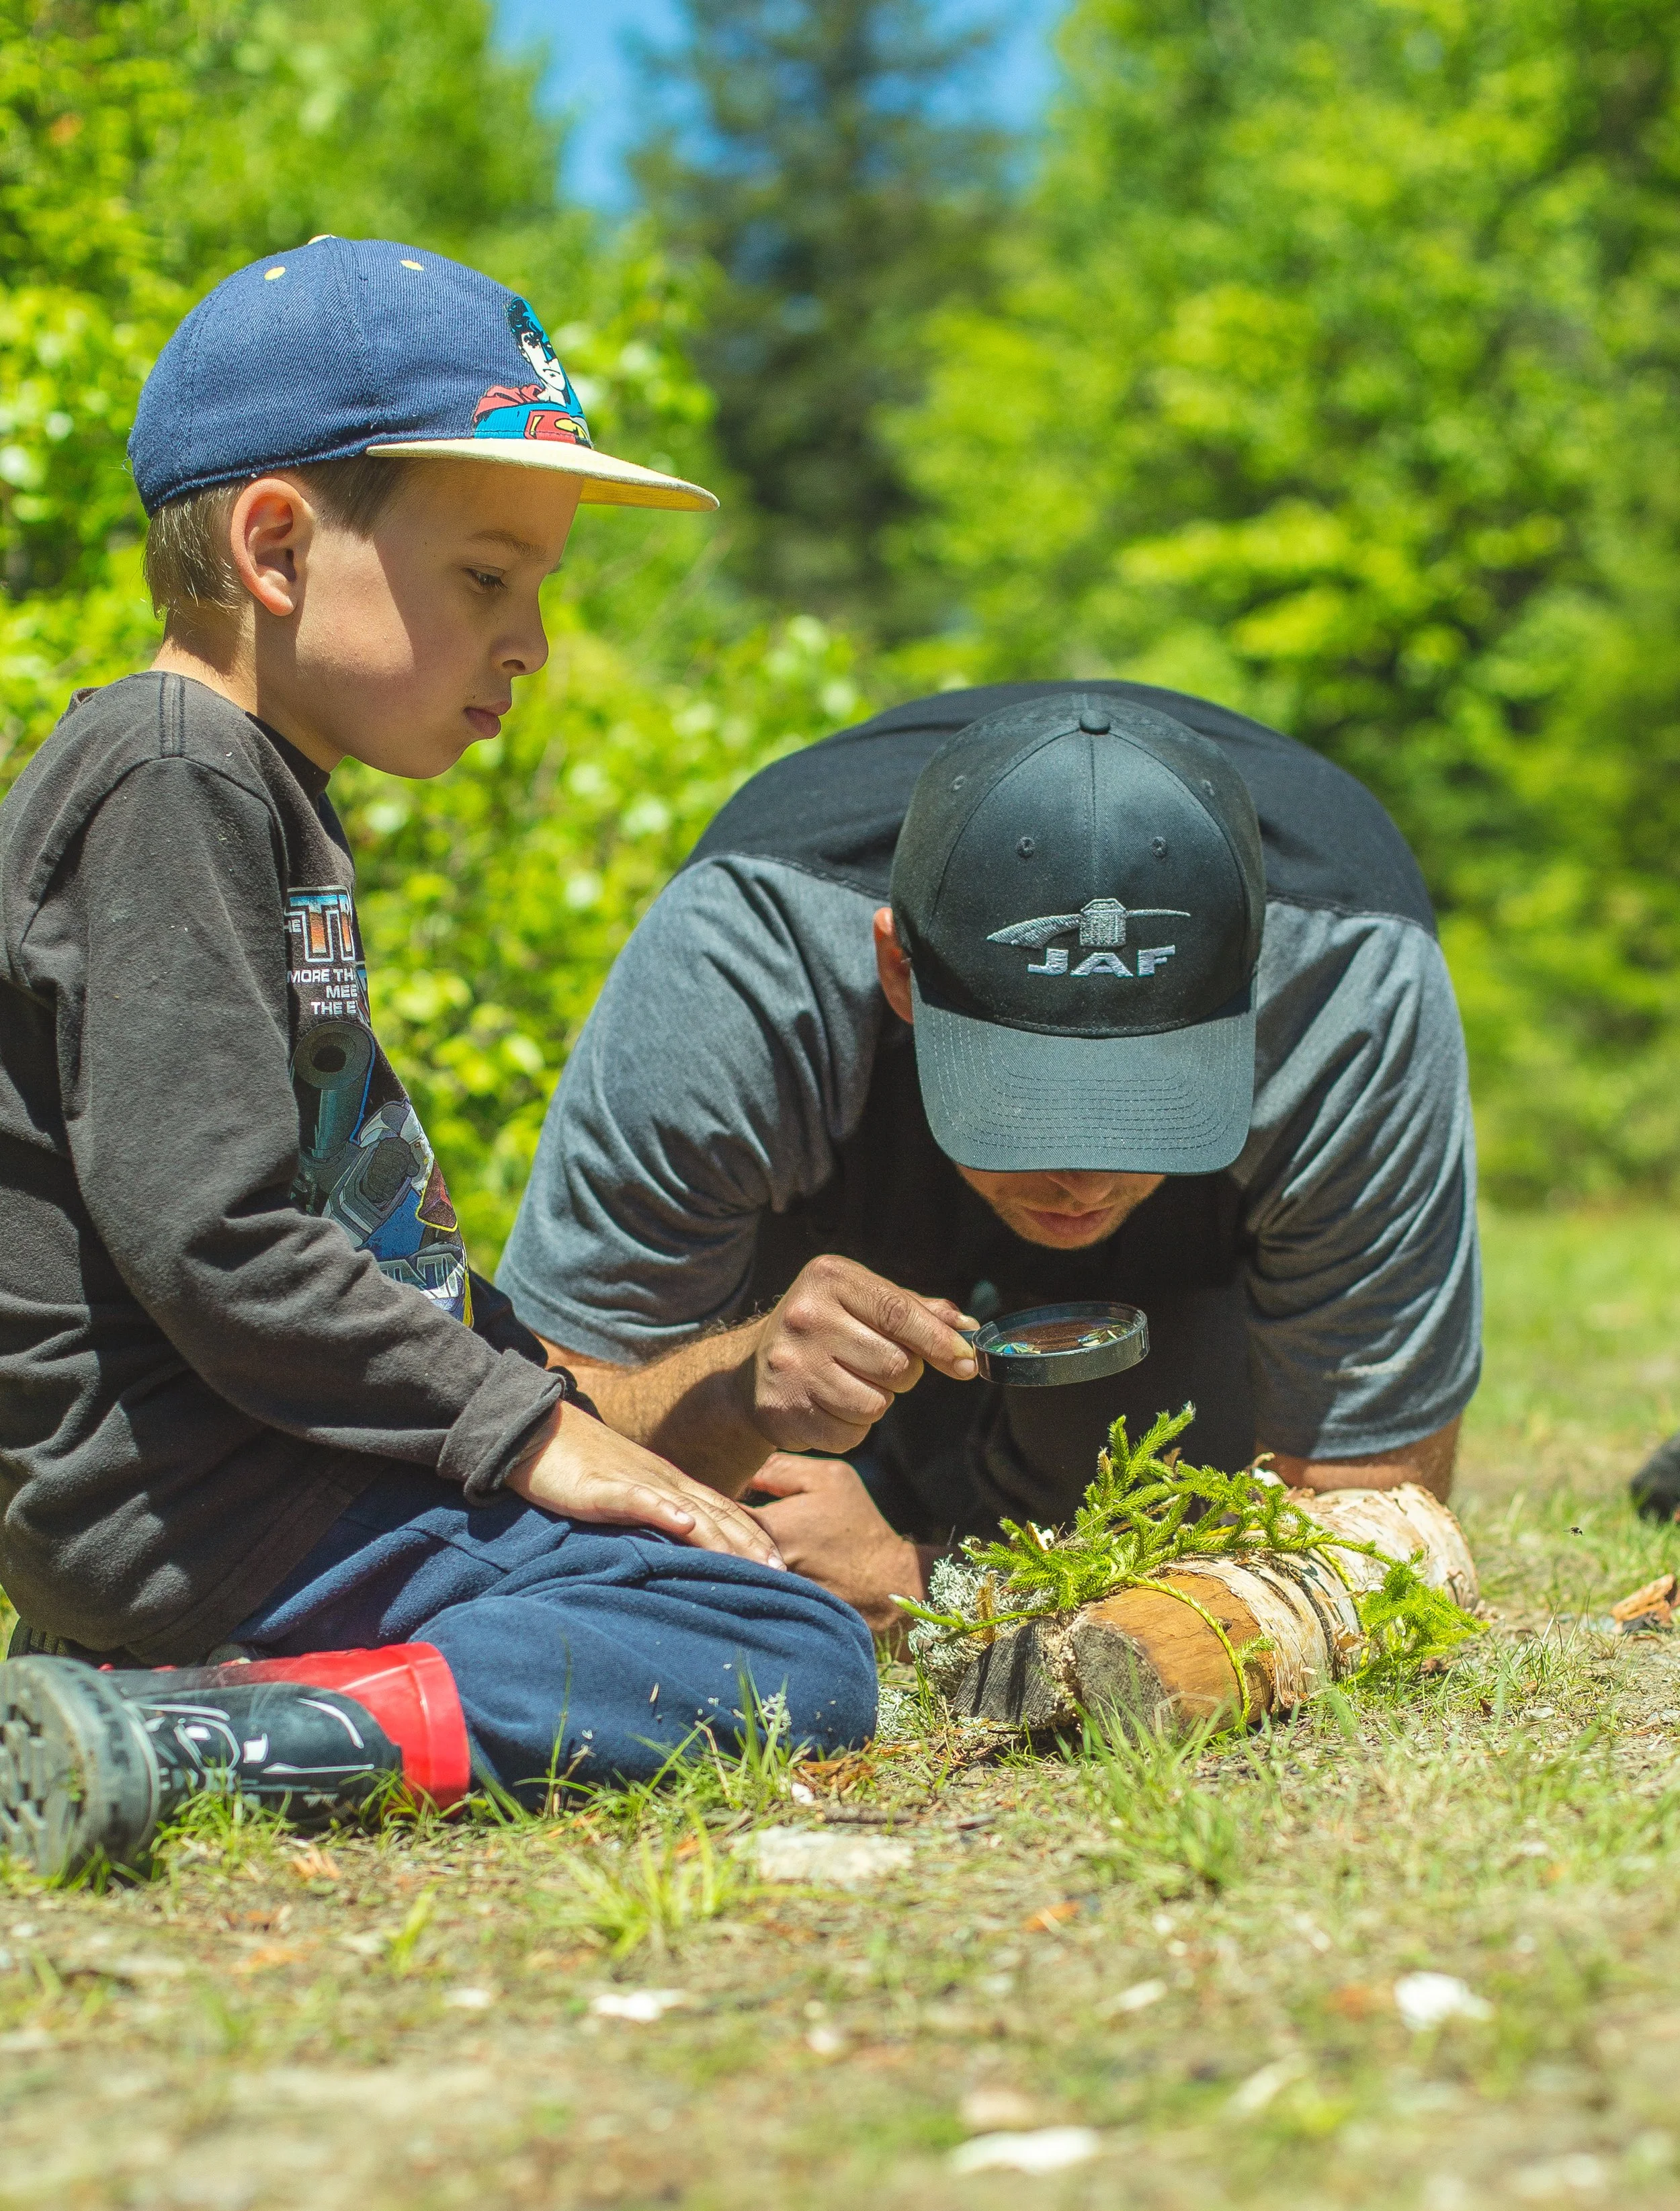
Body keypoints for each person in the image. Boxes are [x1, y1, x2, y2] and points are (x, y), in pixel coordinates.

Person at [0, 239, 876, 1865]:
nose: (529, 640)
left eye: (536, 589)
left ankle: (190, 1680)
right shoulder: (170, 775)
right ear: (275, 544)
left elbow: (337, 1222)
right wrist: (532, 1435)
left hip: (260, 1495)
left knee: (727, 1584)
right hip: (203, 1504)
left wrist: (555, 1409)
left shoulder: (249, 791)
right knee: (790, 1657)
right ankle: (210, 1730)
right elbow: (220, 1240)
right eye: (487, 577)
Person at [497, 684, 1483, 1630]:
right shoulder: (742, 970)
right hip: (806, 1318)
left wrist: (938, 1590)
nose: (1087, 1180)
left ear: (1247, 995)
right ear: (897, 969)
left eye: (1154, 1103)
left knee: (1155, 1434)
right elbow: (544, 1426)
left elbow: (1375, 1537)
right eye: (1023, 1105)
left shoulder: (1350, 986)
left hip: (1184, 1336)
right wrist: (731, 1387)